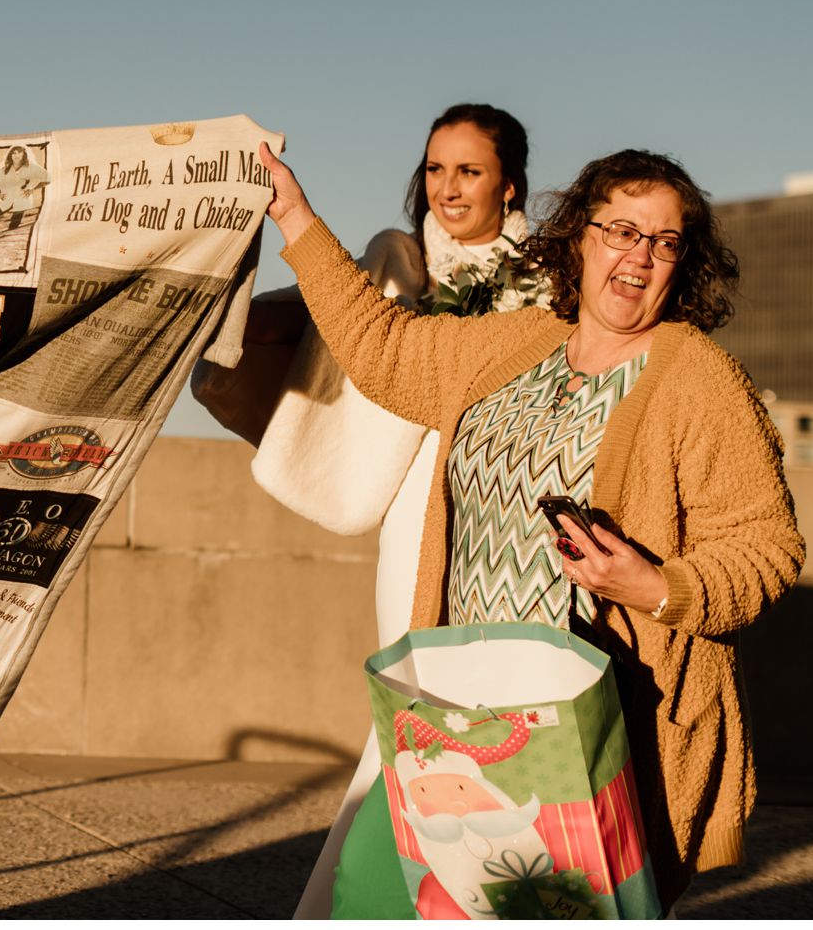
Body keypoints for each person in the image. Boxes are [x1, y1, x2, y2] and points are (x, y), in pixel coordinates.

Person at [260, 141, 802, 913]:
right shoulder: (513, 343)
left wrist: (655, 586)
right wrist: (294, 215)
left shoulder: (700, 381)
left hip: (589, 733)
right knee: (384, 902)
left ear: (684, 262)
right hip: (453, 711)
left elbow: (768, 549)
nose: (639, 256)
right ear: (578, 238)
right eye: (619, 231)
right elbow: (383, 347)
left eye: (663, 240)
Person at [192, 104, 547, 917]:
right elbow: (331, 316)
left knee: (489, 708)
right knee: (418, 699)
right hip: (417, 505)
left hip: (506, 518)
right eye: (434, 168)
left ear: (510, 182)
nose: (447, 188)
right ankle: (375, 901)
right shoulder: (400, 262)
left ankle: (442, 894)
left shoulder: (548, 282)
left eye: (469, 170)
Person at [0, 143, 49, 228]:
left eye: (19, 152)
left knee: (13, 227)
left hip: (22, 201)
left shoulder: (31, 167)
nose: (16, 155)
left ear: (24, 154)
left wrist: (32, 188)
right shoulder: (3, 170)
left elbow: (48, 178)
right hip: (5, 201)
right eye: (13, 153)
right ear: (10, 155)